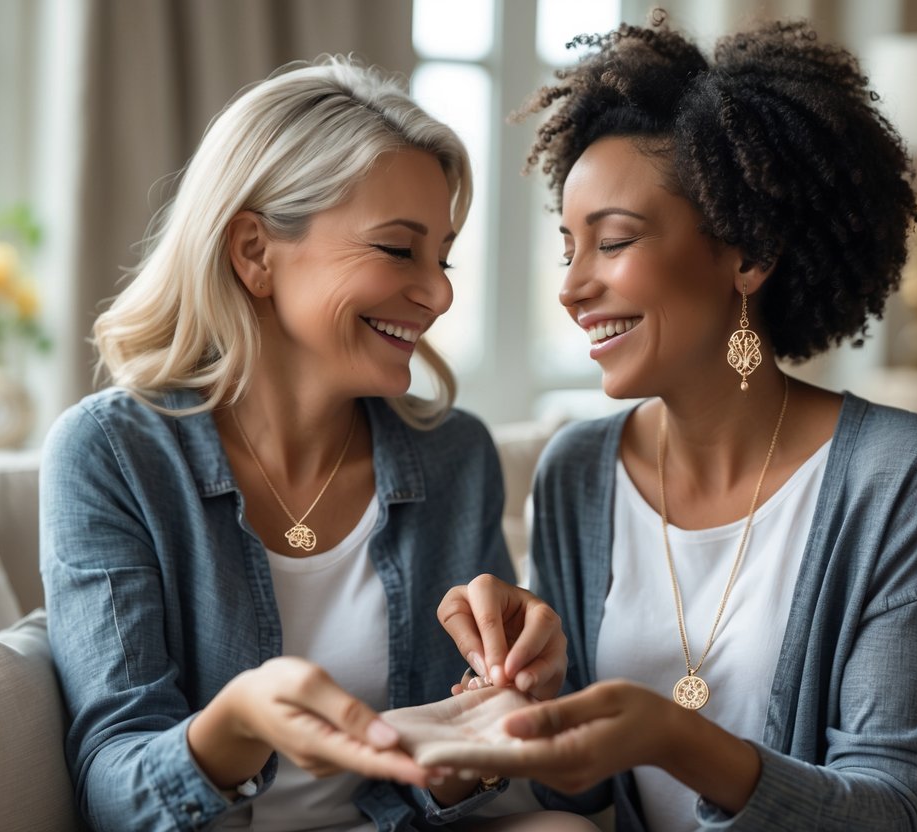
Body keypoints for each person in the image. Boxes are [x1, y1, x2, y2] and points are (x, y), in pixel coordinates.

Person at [436, 16, 917, 832]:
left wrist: (673, 737)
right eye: (567, 248)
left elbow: (898, 806)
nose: (571, 288)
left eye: (614, 241)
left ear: (747, 252)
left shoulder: (901, 471)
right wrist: (531, 705)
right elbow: (583, 803)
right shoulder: (577, 470)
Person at [39, 57, 579, 832]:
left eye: (444, 256)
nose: (438, 292)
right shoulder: (113, 454)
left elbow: (443, 789)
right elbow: (114, 791)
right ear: (255, 251)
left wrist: (495, 722)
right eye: (399, 250)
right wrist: (239, 722)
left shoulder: (452, 455)